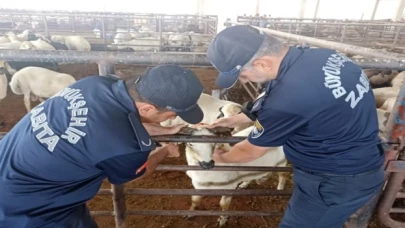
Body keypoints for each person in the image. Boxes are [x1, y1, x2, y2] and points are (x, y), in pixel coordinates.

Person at [206, 25, 385, 228]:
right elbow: (280, 96)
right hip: (355, 162)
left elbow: (249, 151)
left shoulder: (288, 99)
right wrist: (239, 118)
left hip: (334, 180)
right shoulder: (322, 56)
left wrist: (218, 158)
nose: (242, 80)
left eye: (242, 75)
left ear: (262, 64)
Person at [0, 64, 204, 228]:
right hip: (30, 213)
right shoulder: (125, 146)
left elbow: (102, 125)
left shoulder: (94, 84)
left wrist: (165, 130)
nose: (173, 117)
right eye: (173, 114)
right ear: (148, 108)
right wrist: (164, 151)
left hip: (10, 170)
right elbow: (138, 170)